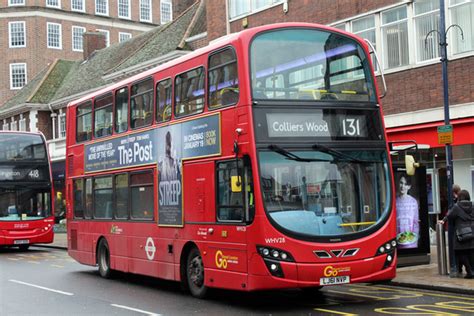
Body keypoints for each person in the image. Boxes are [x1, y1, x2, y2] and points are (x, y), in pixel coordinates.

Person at [440, 190, 474, 278]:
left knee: (460, 252)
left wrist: (443, 221)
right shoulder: (472, 206)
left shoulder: (457, 206)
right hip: (472, 232)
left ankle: (469, 271)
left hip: (461, 233)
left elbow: (449, 215)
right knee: (470, 252)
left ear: (459, 197)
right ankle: (472, 271)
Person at [396, 175, 420, 249]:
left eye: (405, 184)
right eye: (401, 183)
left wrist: (414, 239)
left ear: (409, 187)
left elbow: (416, 222)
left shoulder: (413, 202)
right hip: (398, 241)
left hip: (411, 242)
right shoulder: (395, 201)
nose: (402, 186)